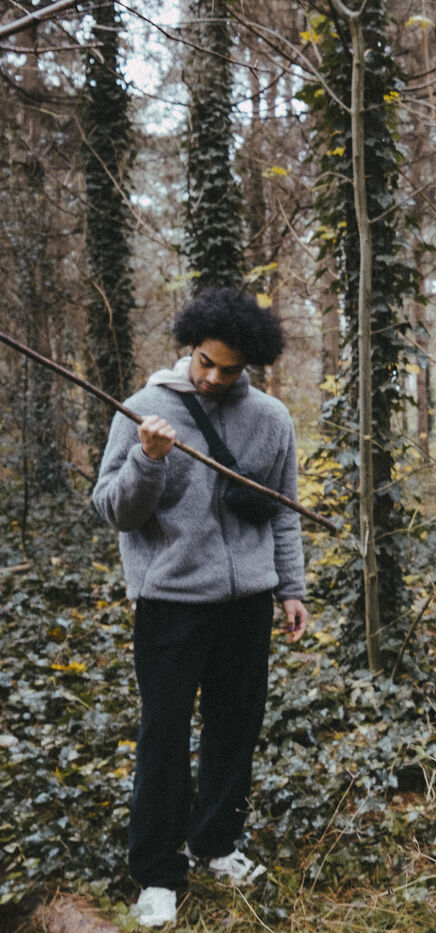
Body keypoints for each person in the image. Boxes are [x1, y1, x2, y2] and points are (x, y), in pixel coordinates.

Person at [92, 288, 310, 928]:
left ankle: (215, 843)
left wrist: (290, 589)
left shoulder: (271, 418)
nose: (213, 378)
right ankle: (158, 873)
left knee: (235, 728)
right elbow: (114, 510)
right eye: (205, 363)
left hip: (247, 605)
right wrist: (147, 459)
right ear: (190, 347)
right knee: (163, 734)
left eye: (229, 370)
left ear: (250, 366)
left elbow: (283, 513)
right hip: (171, 603)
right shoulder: (144, 409)